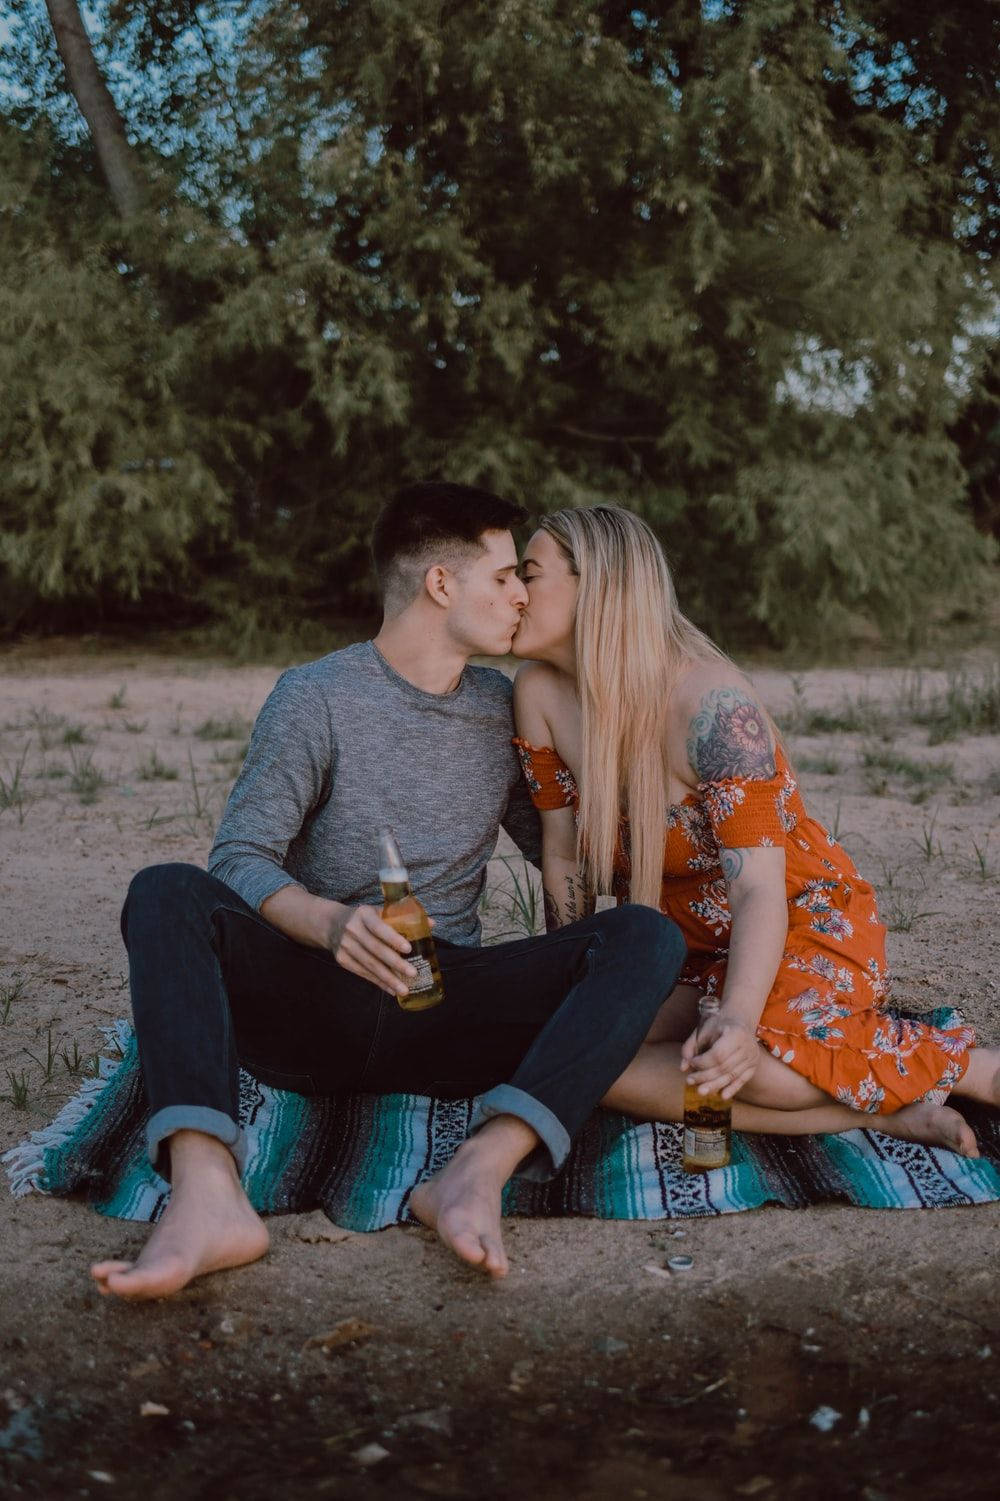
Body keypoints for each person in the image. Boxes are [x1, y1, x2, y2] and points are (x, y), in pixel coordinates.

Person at [90, 482, 692, 1300]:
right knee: (165, 890)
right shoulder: (317, 696)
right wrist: (331, 923)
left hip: (445, 1010)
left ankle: (476, 1170)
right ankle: (206, 1194)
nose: (523, 594)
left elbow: (565, 852)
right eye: (506, 576)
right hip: (313, 1003)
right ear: (441, 585)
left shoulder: (501, 706)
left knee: (646, 937)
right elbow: (239, 854)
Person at [511, 503, 999, 1150]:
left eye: (529, 572)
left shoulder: (712, 707)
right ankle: (878, 1109)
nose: (512, 592)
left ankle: (964, 1065)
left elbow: (759, 889)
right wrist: (575, 980)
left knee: (762, 1069)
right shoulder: (539, 693)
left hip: (799, 920)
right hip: (679, 947)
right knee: (584, 1060)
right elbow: (565, 853)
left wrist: (738, 1018)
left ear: (597, 587)